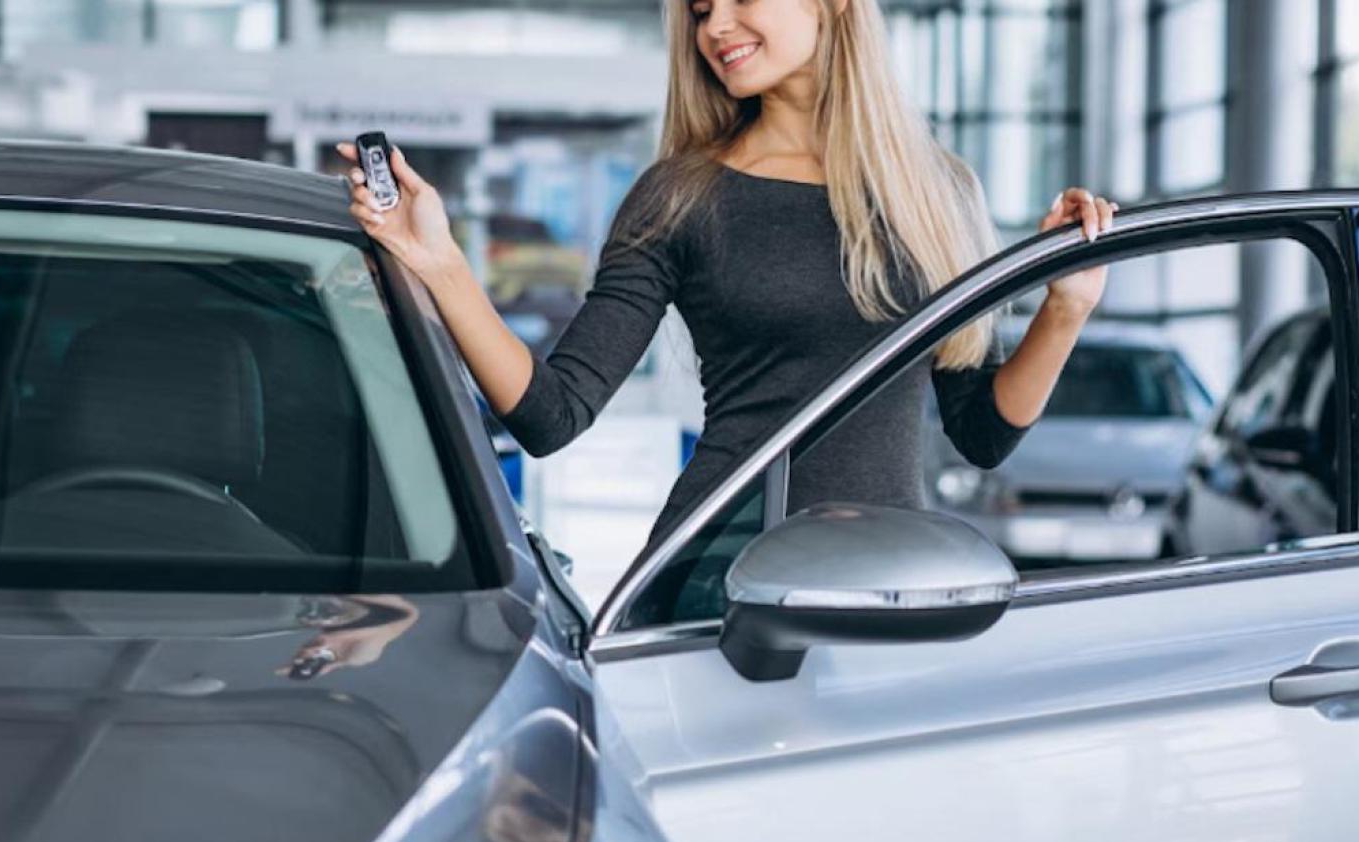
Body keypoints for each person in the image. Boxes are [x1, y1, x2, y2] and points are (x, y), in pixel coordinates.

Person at [337, 0, 1115, 548]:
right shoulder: (682, 195)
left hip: (884, 579)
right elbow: (552, 414)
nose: (715, 27)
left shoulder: (938, 190)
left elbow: (980, 432)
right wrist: (440, 263)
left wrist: (1066, 308)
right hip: (724, 574)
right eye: (702, 9)